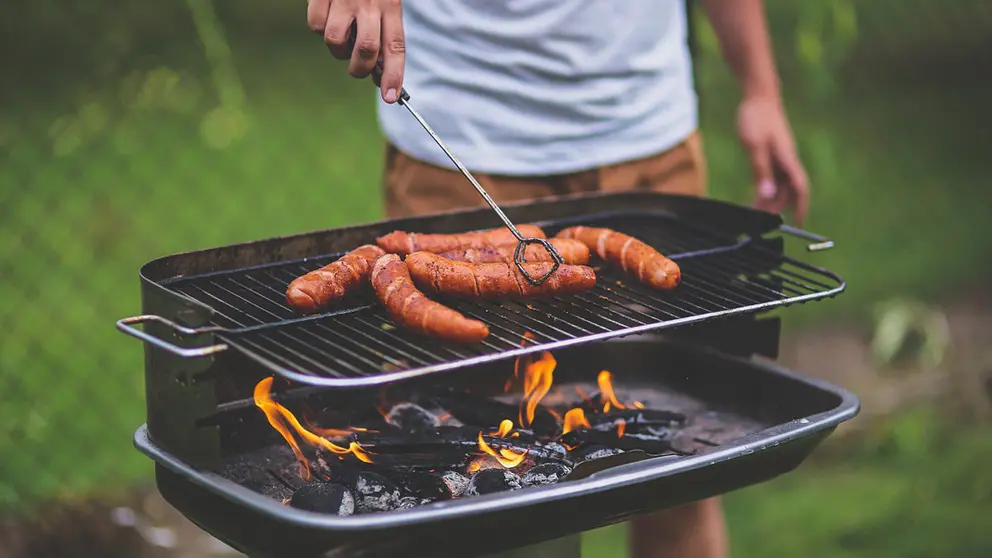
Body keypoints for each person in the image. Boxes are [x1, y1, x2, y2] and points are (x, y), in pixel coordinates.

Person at [307, 1, 809, 556]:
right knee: (484, 491)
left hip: (648, 137)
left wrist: (761, 90)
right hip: (458, 148)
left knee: (679, 466)